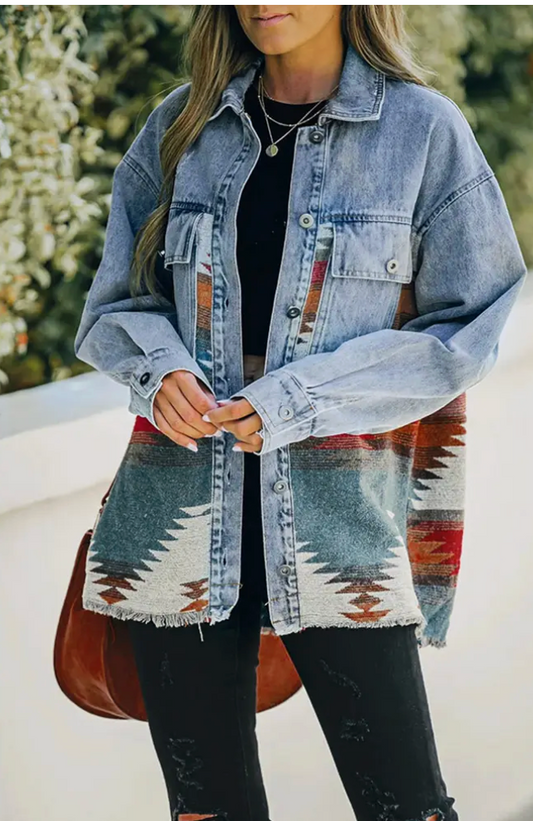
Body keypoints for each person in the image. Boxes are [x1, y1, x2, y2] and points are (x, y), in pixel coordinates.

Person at [73, 6, 527, 821]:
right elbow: (116, 304)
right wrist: (163, 366)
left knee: (406, 808)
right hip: (173, 530)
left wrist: (297, 399)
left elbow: (467, 327)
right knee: (206, 812)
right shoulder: (181, 125)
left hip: (339, 534)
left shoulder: (423, 131)